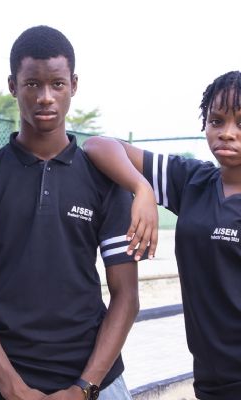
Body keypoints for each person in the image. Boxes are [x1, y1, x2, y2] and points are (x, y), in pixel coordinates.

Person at [0, 25, 149, 400]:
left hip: (94, 380)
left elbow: (126, 297)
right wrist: (13, 388)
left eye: (57, 84)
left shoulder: (104, 180)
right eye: (32, 84)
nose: (45, 97)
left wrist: (85, 388)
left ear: (74, 85)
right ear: (13, 86)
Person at [83, 70, 241, 399]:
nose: (227, 133)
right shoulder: (193, 182)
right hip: (212, 379)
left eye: (240, 123)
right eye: (217, 121)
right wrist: (141, 188)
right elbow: (98, 145)